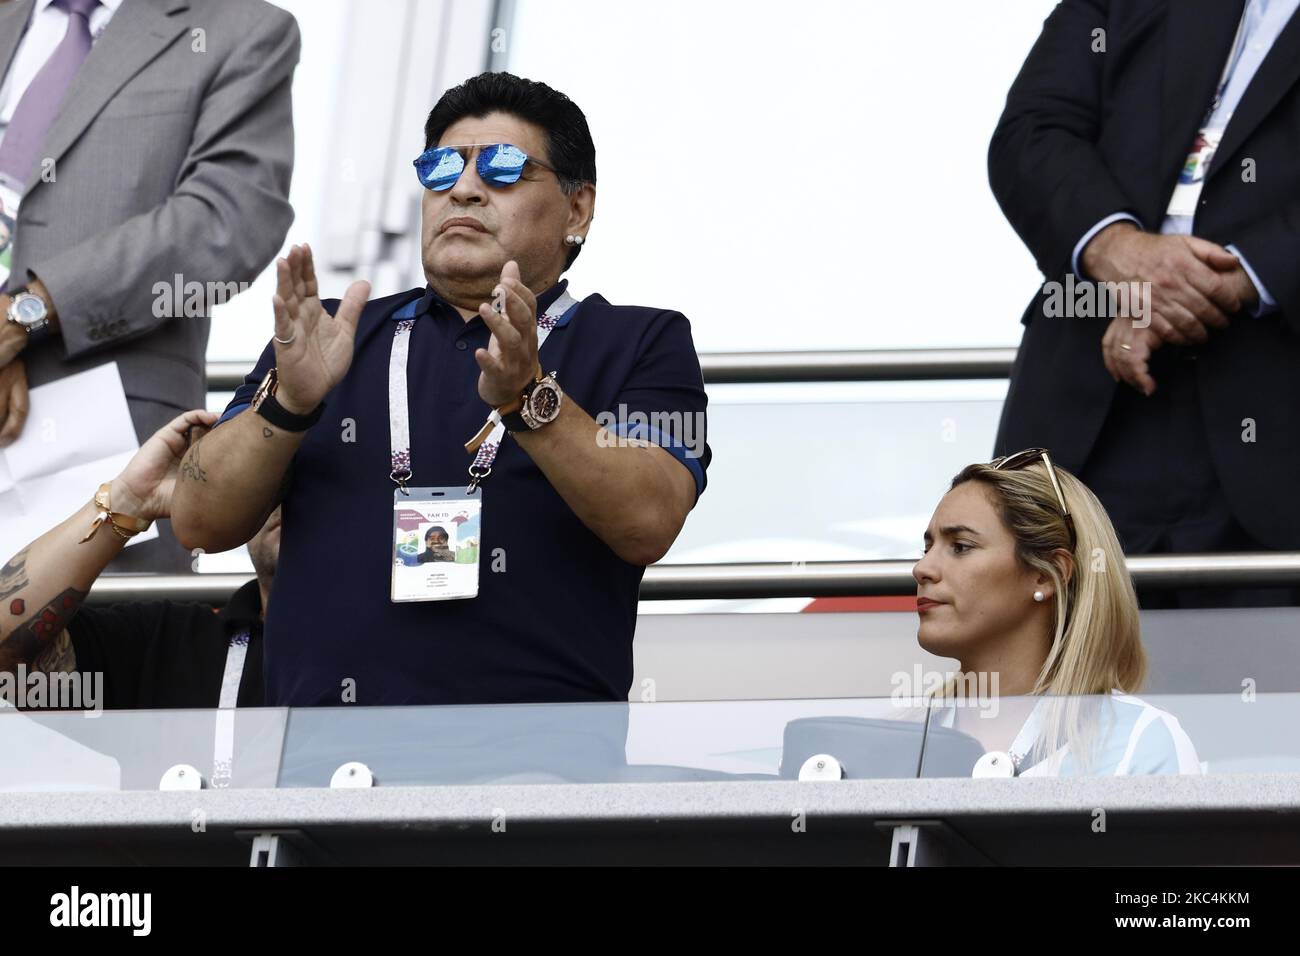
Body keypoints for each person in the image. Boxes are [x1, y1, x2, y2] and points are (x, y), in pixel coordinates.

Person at [171, 72, 712, 707]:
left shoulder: (639, 339)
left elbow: (650, 521)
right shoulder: (330, 335)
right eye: (439, 169)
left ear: (577, 208)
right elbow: (199, 522)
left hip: (545, 764)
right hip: (324, 767)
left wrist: (529, 400)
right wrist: (290, 405)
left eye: (504, 168)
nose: (462, 190)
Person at [989, 0, 1300, 608]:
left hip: (1278, 425)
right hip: (1086, 414)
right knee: (1053, 691)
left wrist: (1243, 274)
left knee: (1258, 693)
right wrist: (1117, 251)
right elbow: (1033, 130)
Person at [0, 0, 300, 572]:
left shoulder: (241, 29)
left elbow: (227, 221)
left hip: (106, 443)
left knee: (96, 651)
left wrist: (26, 316)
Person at [911, 448, 1200, 776]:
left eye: (960, 547)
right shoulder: (899, 741)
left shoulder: (1141, 742)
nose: (922, 568)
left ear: (1045, 575)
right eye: (927, 547)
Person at [0, 409, 273, 709]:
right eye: (277, 469)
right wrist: (130, 500)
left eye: (322, 478)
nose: (298, 495)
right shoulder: (171, 644)